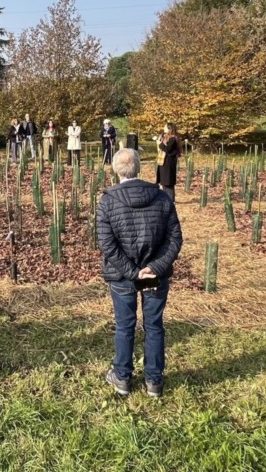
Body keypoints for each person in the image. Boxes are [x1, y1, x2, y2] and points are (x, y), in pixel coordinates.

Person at [96, 148, 182, 398]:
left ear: (115, 170)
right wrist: (155, 267)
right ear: (139, 168)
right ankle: (154, 381)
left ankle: (122, 377)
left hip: (123, 276)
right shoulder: (162, 197)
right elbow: (174, 239)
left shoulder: (108, 201)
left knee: (125, 325)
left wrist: (133, 272)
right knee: (154, 325)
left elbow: (107, 244)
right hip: (154, 275)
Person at [155, 124, 183, 195]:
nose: (164, 128)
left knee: (168, 183)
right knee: (164, 183)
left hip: (168, 163)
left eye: (165, 127)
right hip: (164, 163)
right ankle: (167, 198)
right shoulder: (166, 137)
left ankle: (170, 199)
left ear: (169, 129)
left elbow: (167, 149)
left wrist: (160, 144)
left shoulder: (173, 139)